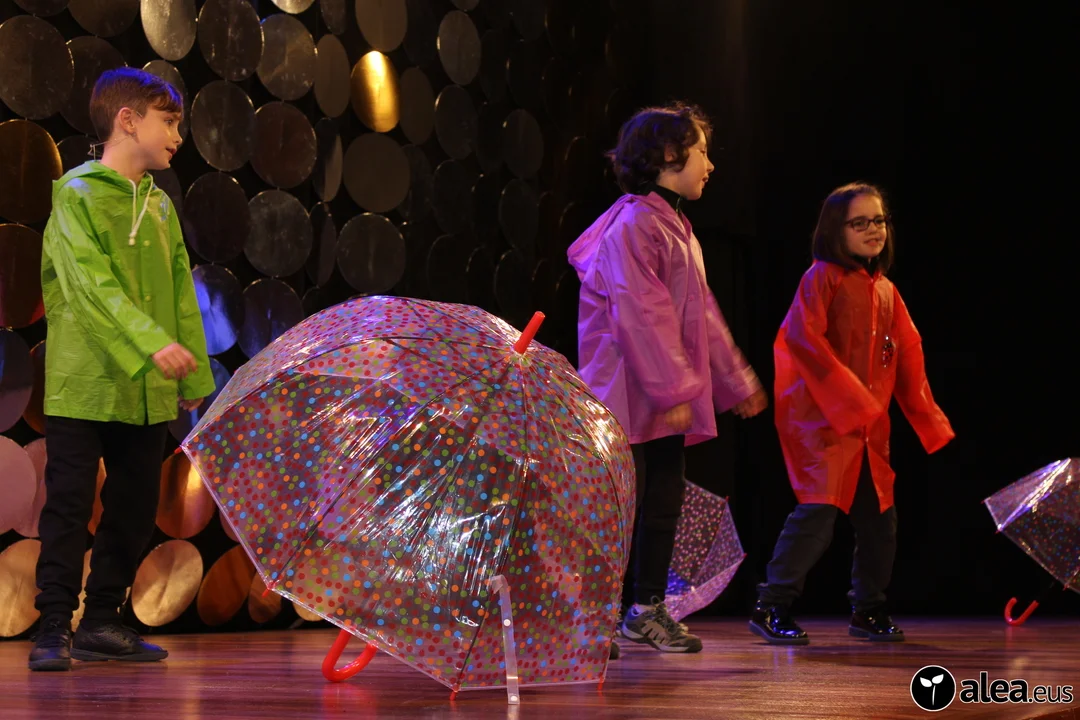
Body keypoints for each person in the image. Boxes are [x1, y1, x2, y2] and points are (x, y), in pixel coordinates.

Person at [29, 68, 214, 671]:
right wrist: (152, 343)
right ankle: (53, 625)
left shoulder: (159, 206)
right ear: (127, 120)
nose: (178, 137)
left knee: (133, 508)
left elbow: (181, 294)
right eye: (170, 122)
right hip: (84, 382)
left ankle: (102, 621)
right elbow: (91, 287)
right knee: (69, 505)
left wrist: (191, 377)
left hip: (146, 388)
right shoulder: (75, 196)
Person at [568, 103, 767, 653]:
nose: (710, 164)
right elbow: (640, 310)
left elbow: (702, 315)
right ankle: (591, 619)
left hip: (659, 394)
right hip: (626, 393)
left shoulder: (677, 228)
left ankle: (645, 610)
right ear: (668, 155)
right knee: (616, 507)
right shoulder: (635, 224)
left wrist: (736, 379)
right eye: (701, 151)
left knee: (662, 501)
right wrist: (674, 388)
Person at [749, 182, 955, 645]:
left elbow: (908, 356)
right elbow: (803, 341)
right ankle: (771, 604)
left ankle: (868, 609)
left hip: (868, 429)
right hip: (824, 422)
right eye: (859, 222)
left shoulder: (886, 291)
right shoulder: (822, 278)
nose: (873, 230)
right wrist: (852, 400)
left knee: (880, 522)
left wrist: (927, 417)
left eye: (878, 220)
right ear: (834, 230)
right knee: (818, 514)